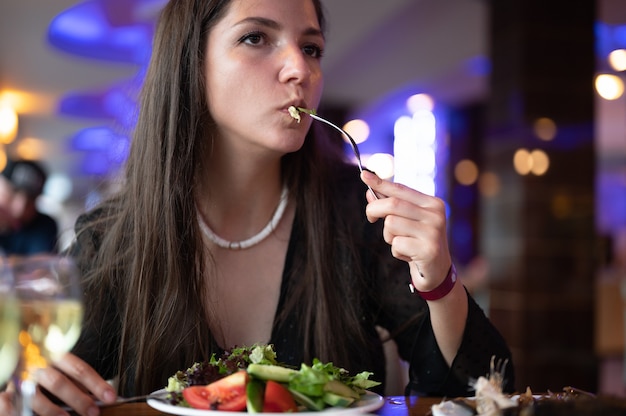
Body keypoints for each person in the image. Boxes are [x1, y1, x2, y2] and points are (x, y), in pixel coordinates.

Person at [0, 0, 515, 414]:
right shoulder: (115, 238)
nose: (299, 69)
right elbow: (45, 385)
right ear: (191, 62)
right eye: (255, 37)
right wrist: (26, 393)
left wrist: (440, 280)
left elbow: (481, 393)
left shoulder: (355, 214)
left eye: (311, 47)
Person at [0, 158, 58, 255]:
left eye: (31, 200)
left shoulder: (43, 225)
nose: (20, 209)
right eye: (13, 192)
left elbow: (42, 265)